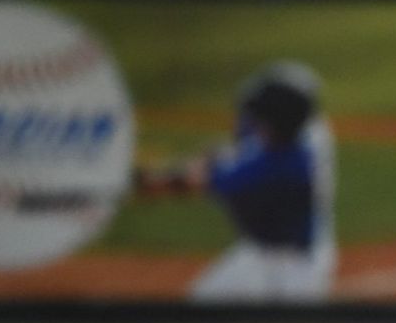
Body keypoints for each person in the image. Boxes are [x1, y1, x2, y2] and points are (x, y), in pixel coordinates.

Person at [136, 60, 337, 303]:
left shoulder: (278, 167)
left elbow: (198, 180)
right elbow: (223, 155)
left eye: (262, 117)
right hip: (258, 254)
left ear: (275, 124)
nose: (254, 121)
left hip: (292, 270)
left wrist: (148, 179)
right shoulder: (285, 148)